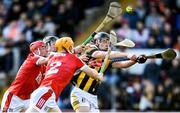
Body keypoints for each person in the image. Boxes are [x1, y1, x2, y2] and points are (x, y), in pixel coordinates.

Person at [70, 32, 147, 112]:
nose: (106, 44)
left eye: (108, 42)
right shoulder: (90, 48)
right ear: (97, 42)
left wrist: (136, 60)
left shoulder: (106, 60)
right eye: (104, 41)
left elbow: (122, 65)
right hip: (80, 92)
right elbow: (101, 54)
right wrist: (127, 55)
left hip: (92, 96)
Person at [25, 37, 103, 113]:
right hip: (47, 92)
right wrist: (99, 75)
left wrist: (76, 51)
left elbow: (63, 58)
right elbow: (92, 74)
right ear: (69, 47)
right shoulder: (75, 59)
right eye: (71, 46)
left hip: (46, 93)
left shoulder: (52, 56)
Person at [1, 41, 48, 112]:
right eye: (43, 47)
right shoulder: (32, 57)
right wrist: (59, 56)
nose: (46, 49)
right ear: (36, 50)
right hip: (15, 96)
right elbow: (47, 60)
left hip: (28, 98)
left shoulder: (43, 66)